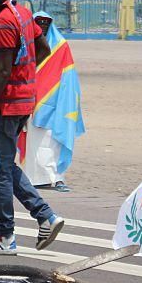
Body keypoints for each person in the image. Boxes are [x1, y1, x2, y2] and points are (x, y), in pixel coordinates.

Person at [0, 0, 62, 254]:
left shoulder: (3, 23)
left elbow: (3, 71)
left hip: (6, 105)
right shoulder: (23, 14)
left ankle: (5, 237)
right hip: (22, 100)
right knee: (6, 163)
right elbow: (44, 49)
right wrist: (24, 78)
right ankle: (45, 215)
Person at [21, 12, 85, 193]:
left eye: (46, 23)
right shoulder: (26, 45)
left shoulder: (61, 46)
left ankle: (54, 178)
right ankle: (34, 178)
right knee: (34, 142)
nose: (42, 26)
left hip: (56, 101)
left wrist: (68, 101)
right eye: (38, 22)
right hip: (32, 101)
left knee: (53, 140)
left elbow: (69, 77)